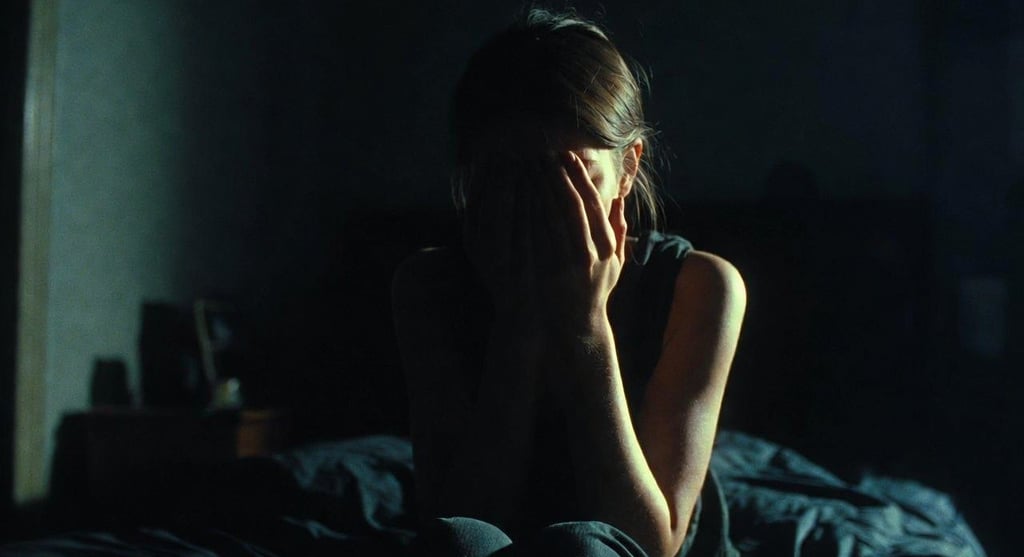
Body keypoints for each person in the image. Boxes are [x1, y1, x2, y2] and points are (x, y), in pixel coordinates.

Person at [391, 8, 745, 557]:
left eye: (570, 181)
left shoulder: (699, 288)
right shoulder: (429, 285)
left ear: (628, 169)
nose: (539, 210)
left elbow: (653, 542)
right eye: (506, 178)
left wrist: (585, 326)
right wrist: (519, 323)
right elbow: (459, 512)